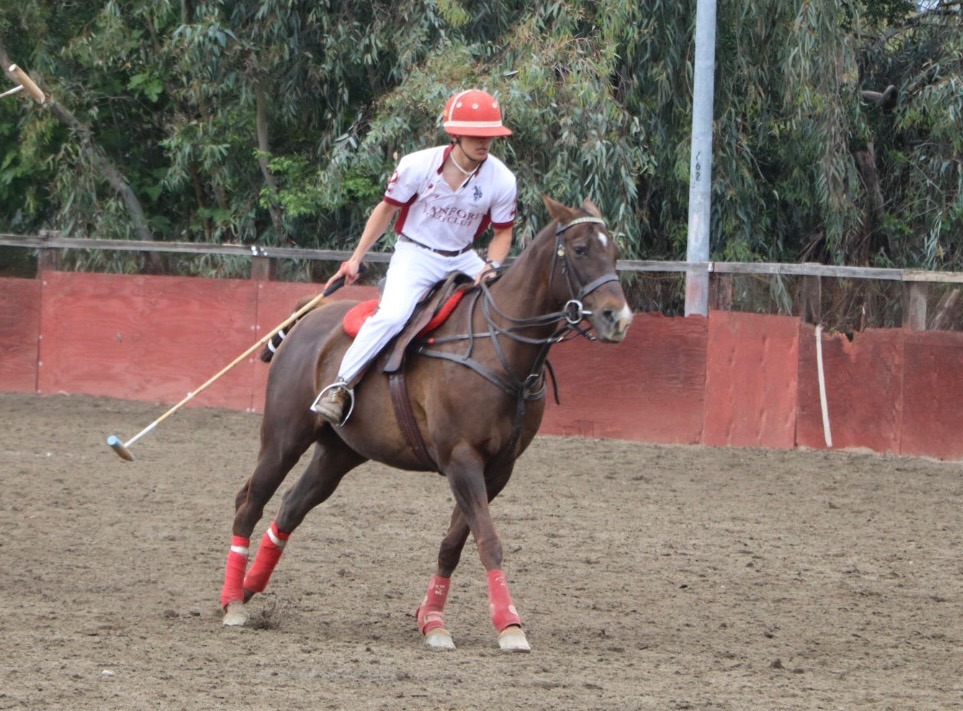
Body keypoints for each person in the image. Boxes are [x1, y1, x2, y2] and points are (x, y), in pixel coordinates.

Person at [309, 88, 517, 425]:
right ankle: (339, 386)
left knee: (505, 307)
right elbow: (387, 210)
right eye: (476, 135)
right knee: (391, 317)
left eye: (491, 136)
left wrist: (492, 266)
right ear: (455, 134)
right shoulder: (417, 165)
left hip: (464, 257)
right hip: (416, 254)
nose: (485, 143)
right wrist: (356, 257)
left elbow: (503, 232)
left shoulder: (502, 179)